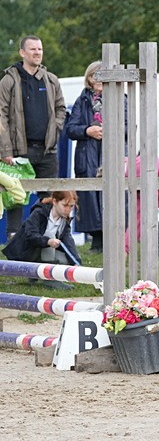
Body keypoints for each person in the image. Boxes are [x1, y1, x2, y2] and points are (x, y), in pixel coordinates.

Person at [0, 36, 67, 238]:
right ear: (22, 52)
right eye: (32, 49)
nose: (37, 52)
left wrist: (55, 130)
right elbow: (1, 115)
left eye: (40, 49)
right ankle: (14, 240)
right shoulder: (9, 80)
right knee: (16, 196)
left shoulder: (51, 79)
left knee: (49, 198)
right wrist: (6, 150)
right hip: (18, 151)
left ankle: (45, 239)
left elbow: (61, 108)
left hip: (47, 150)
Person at [64, 61, 105, 252]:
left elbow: (129, 126)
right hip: (87, 154)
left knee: (111, 194)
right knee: (89, 197)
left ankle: (112, 239)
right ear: (89, 78)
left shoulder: (121, 98)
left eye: (102, 74)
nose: (99, 79)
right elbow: (71, 128)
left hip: (110, 153)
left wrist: (108, 130)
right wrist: (88, 130)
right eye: (95, 75)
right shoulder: (82, 100)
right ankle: (96, 240)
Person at [3, 191, 81, 288]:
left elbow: (68, 241)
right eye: (65, 205)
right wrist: (48, 241)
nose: (68, 209)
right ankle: (49, 279)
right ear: (55, 201)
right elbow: (30, 235)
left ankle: (35, 275)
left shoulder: (65, 219)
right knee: (50, 236)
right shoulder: (39, 213)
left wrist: (76, 262)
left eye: (71, 206)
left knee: (65, 258)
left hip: (40, 252)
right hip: (24, 252)